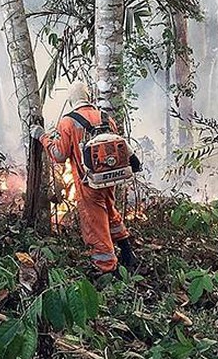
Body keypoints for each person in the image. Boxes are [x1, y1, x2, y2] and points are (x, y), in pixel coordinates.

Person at [30, 81, 139, 274]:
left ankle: (107, 269)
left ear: (71, 99)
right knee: (110, 212)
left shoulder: (68, 122)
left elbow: (59, 155)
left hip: (89, 183)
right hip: (110, 177)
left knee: (95, 224)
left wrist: (42, 137)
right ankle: (127, 252)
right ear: (88, 97)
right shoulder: (105, 117)